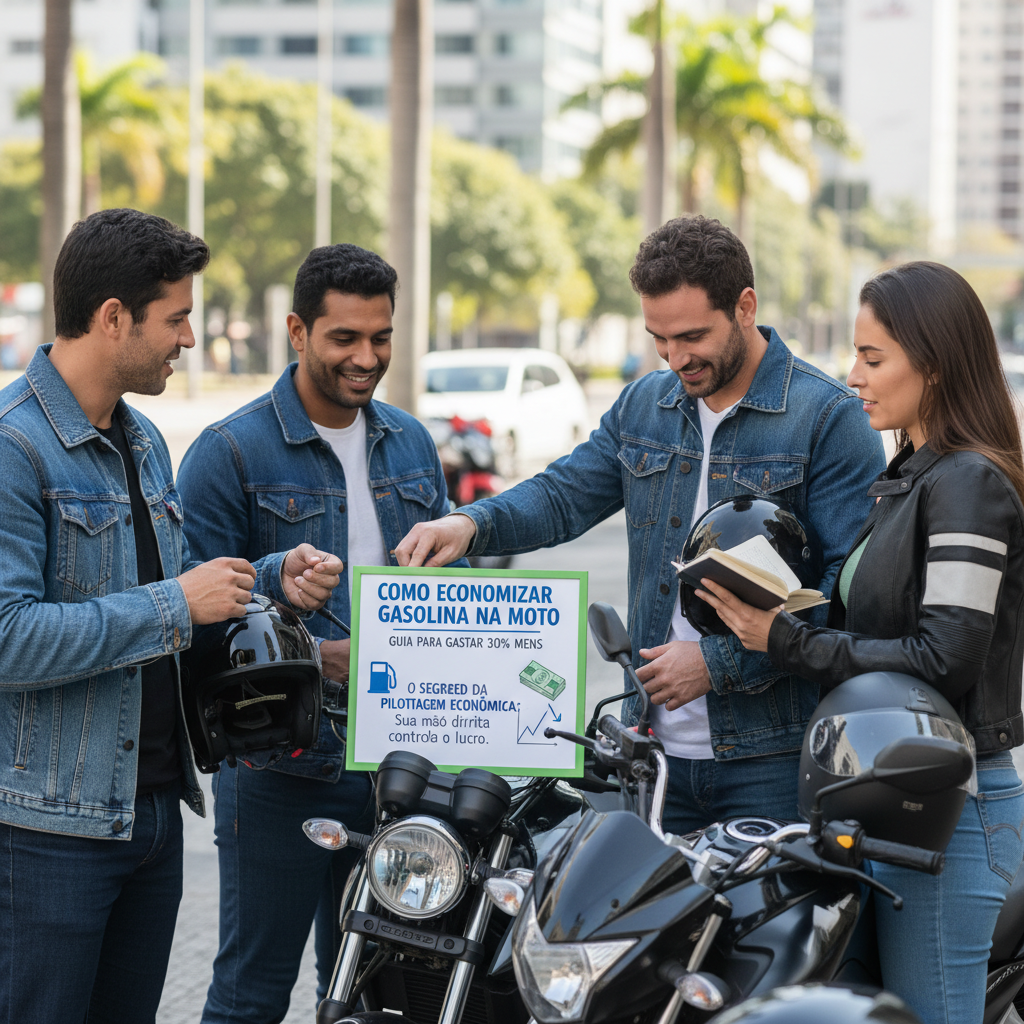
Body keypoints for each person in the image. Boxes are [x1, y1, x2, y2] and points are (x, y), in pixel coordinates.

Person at [396, 215, 885, 833]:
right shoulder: (643, 405)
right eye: (659, 338)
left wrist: (717, 661)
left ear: (745, 306)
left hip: (774, 756)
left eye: (692, 336)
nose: (677, 357)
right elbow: (563, 495)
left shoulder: (828, 417)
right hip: (649, 756)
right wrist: (469, 524)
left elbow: (846, 593)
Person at [0, 209, 343, 1024]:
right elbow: (8, 637)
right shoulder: (14, 449)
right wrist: (174, 605)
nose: (190, 338)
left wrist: (269, 577)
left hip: (153, 815)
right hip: (51, 831)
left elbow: (177, 581)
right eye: (177, 317)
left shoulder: (144, 439)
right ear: (113, 317)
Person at [697, 261, 1024, 1024]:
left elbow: (946, 657)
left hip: (950, 805)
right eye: (855, 355)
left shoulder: (969, 482)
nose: (853, 376)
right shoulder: (915, 472)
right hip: (889, 796)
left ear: (935, 366)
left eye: (872, 358)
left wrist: (783, 641)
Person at [176, 243, 463, 1023]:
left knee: (375, 994)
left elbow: (436, 600)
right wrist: (309, 653)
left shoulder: (409, 443)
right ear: (298, 332)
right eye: (345, 338)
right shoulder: (229, 451)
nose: (366, 358)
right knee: (251, 992)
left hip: (400, 768)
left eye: (381, 337)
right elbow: (189, 619)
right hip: (277, 768)